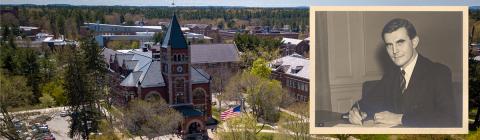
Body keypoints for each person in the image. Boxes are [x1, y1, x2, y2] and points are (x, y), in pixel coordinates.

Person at [348, 18, 457, 127]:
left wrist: (401, 119)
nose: (394, 51)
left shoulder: (438, 72)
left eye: (400, 43)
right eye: (389, 45)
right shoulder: (391, 75)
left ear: (414, 42)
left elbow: (448, 119)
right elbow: (365, 103)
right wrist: (356, 112)